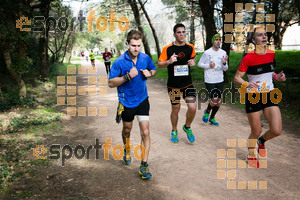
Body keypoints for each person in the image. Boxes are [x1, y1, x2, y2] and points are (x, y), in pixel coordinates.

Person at [234, 27, 286, 168]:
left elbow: (271, 73)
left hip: (269, 94)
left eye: (265, 34)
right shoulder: (248, 58)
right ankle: (251, 153)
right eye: (260, 35)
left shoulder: (271, 54)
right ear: (253, 39)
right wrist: (246, 83)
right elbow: (237, 78)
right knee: (256, 130)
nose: (264, 37)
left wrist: (278, 77)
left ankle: (261, 141)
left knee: (276, 130)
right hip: (254, 96)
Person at [108, 30, 156, 179]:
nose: (136, 48)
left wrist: (150, 73)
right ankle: (127, 148)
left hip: (142, 99)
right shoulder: (119, 61)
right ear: (127, 44)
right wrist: (127, 76)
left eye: (139, 46)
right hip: (126, 102)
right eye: (133, 45)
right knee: (127, 130)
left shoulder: (145, 57)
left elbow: (153, 69)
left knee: (145, 132)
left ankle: (144, 165)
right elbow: (110, 83)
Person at [158, 23, 197, 143]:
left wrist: (193, 62)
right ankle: (174, 130)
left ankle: (187, 126)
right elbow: (159, 65)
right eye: (179, 32)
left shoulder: (190, 47)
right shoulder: (168, 49)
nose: (181, 34)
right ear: (174, 34)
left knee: (193, 107)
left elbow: (193, 58)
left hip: (187, 83)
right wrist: (169, 61)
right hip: (173, 85)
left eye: (183, 32)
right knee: (176, 109)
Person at [198, 34, 228, 126]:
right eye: (216, 40)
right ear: (213, 41)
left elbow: (226, 68)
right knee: (214, 99)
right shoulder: (207, 52)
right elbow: (199, 64)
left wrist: (224, 63)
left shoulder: (223, 53)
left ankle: (212, 118)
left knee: (218, 102)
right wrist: (208, 66)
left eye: (219, 40)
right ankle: (207, 111)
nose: (218, 41)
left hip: (220, 79)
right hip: (210, 80)